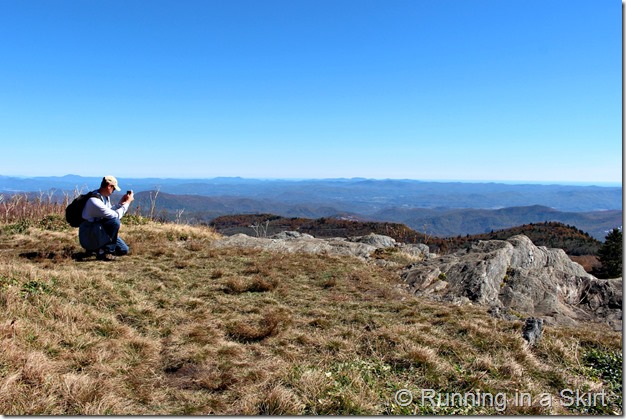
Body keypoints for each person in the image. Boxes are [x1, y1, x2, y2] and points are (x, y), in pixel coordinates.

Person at [79, 175, 134, 261]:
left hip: (98, 229)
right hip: (89, 233)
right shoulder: (94, 201)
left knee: (123, 250)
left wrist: (120, 204)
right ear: (109, 186)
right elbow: (115, 216)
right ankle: (106, 251)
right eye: (114, 188)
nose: (113, 191)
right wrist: (127, 203)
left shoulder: (103, 197)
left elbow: (108, 211)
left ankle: (98, 248)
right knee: (115, 222)